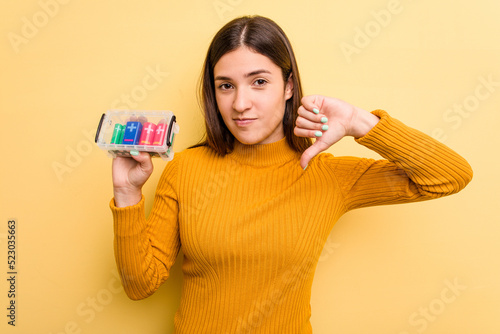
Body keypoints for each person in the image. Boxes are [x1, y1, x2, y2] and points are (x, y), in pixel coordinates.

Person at [110, 15, 473, 333]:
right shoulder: (186, 169)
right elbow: (140, 285)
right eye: (226, 85)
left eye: (259, 82)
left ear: (288, 87)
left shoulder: (327, 176)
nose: (240, 103)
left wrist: (358, 122)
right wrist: (127, 195)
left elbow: (449, 175)